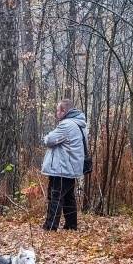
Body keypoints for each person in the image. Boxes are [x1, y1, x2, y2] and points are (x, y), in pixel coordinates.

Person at [41, 99, 86, 231]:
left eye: (57, 110)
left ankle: (50, 226)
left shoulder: (66, 125)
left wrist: (47, 137)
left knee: (55, 196)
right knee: (68, 197)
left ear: (64, 111)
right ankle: (71, 226)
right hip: (72, 168)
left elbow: (49, 140)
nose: (57, 113)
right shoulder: (80, 124)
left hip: (61, 168)